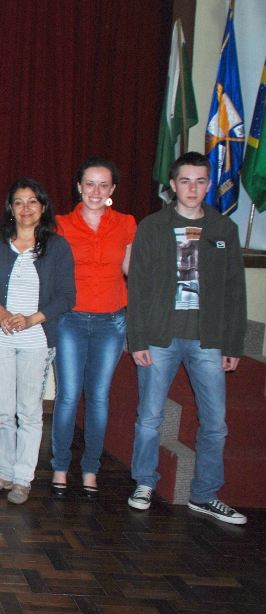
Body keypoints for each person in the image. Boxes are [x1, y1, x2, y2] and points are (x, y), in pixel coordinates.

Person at [126, 152, 247, 524]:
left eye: (199, 181)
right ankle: (144, 483)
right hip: (159, 337)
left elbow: (235, 290)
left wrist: (233, 343)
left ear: (209, 184)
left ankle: (205, 494)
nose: (192, 188)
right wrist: (137, 339)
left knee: (215, 423)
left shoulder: (224, 229)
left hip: (207, 339)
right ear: (173, 185)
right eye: (185, 180)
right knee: (149, 417)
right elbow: (138, 288)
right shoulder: (152, 226)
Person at [0, 178, 74, 504]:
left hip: (37, 340)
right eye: (19, 202)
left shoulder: (57, 246)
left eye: (32, 201)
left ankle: (23, 479)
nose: (25, 208)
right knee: (2, 410)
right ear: (10, 207)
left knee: (30, 412)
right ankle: (4, 471)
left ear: (43, 207)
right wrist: (1, 312)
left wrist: (32, 319)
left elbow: (67, 297)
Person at [51, 158, 135, 499]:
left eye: (104, 185)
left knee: (98, 397)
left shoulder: (126, 223)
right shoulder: (60, 224)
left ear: (113, 189)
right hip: (70, 320)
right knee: (69, 396)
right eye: (90, 183)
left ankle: (90, 469)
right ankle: (60, 466)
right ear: (79, 187)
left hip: (111, 323)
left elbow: (132, 271)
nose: (96, 191)